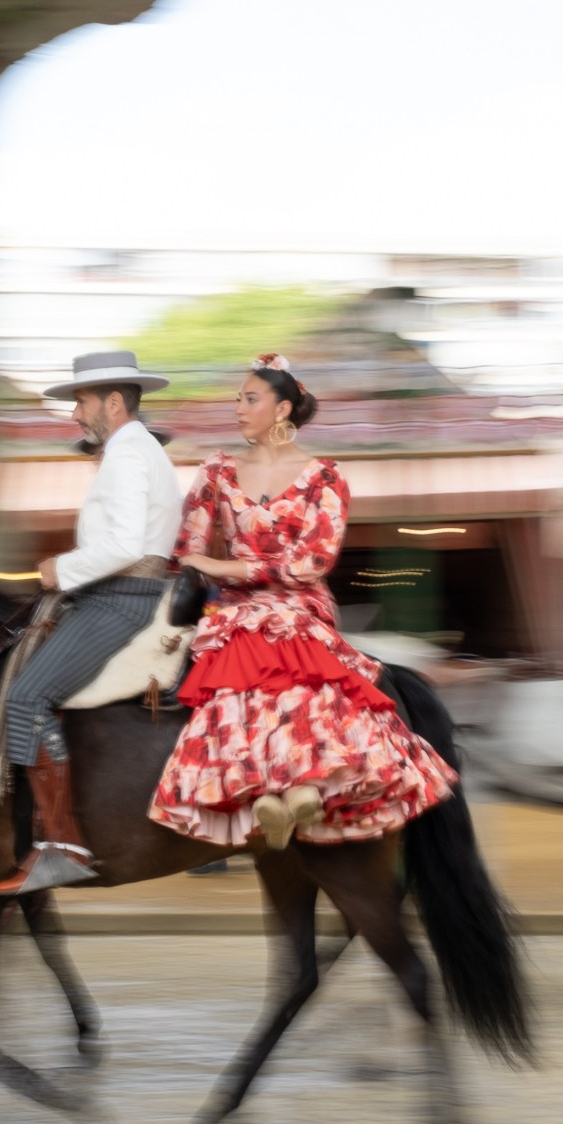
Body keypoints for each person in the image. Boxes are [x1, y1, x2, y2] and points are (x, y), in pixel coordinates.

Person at [148, 353, 457, 850]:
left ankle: (294, 787)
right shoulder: (217, 471)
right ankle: (284, 792)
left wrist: (228, 569)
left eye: (250, 399)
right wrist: (199, 568)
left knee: (279, 636)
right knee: (245, 641)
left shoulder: (326, 477)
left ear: (283, 408)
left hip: (300, 606)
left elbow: (312, 563)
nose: (238, 408)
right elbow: (188, 549)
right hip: (234, 610)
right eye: (237, 399)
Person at [0, 350, 183, 896]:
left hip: (121, 599)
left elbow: (122, 546)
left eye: (81, 401)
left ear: (115, 402)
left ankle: (62, 846)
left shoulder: (127, 453)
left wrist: (60, 569)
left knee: (26, 696)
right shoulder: (134, 450)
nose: (75, 415)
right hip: (118, 592)